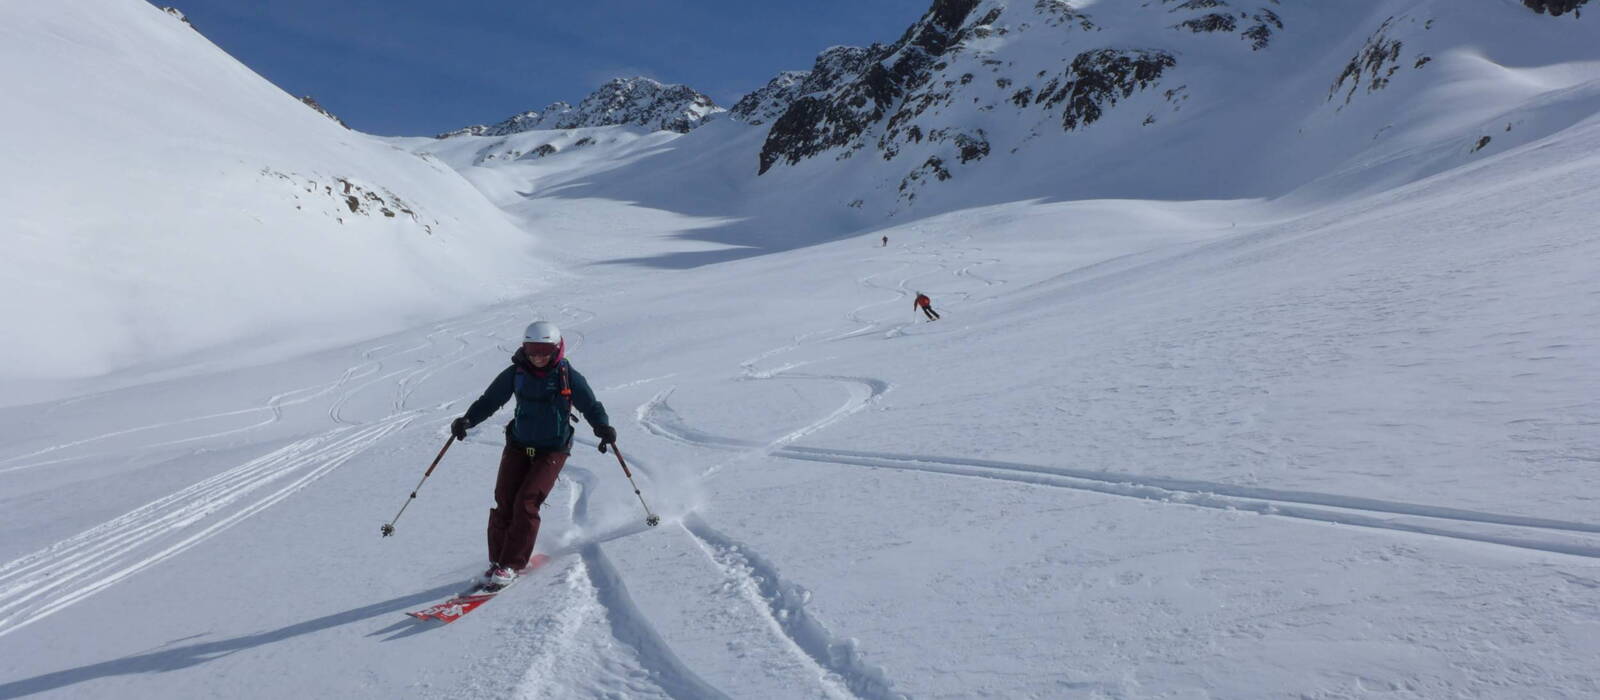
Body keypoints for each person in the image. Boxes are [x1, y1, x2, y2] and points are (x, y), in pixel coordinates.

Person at [450, 320, 616, 588]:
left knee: (526, 502)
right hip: (518, 444)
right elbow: (490, 400)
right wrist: (468, 420)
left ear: (557, 349)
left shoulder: (567, 374)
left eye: (544, 350)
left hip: (552, 448)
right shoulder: (516, 372)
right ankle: (498, 561)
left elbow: (590, 404)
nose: (538, 356)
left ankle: (512, 564)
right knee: (504, 500)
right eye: (532, 349)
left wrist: (603, 426)